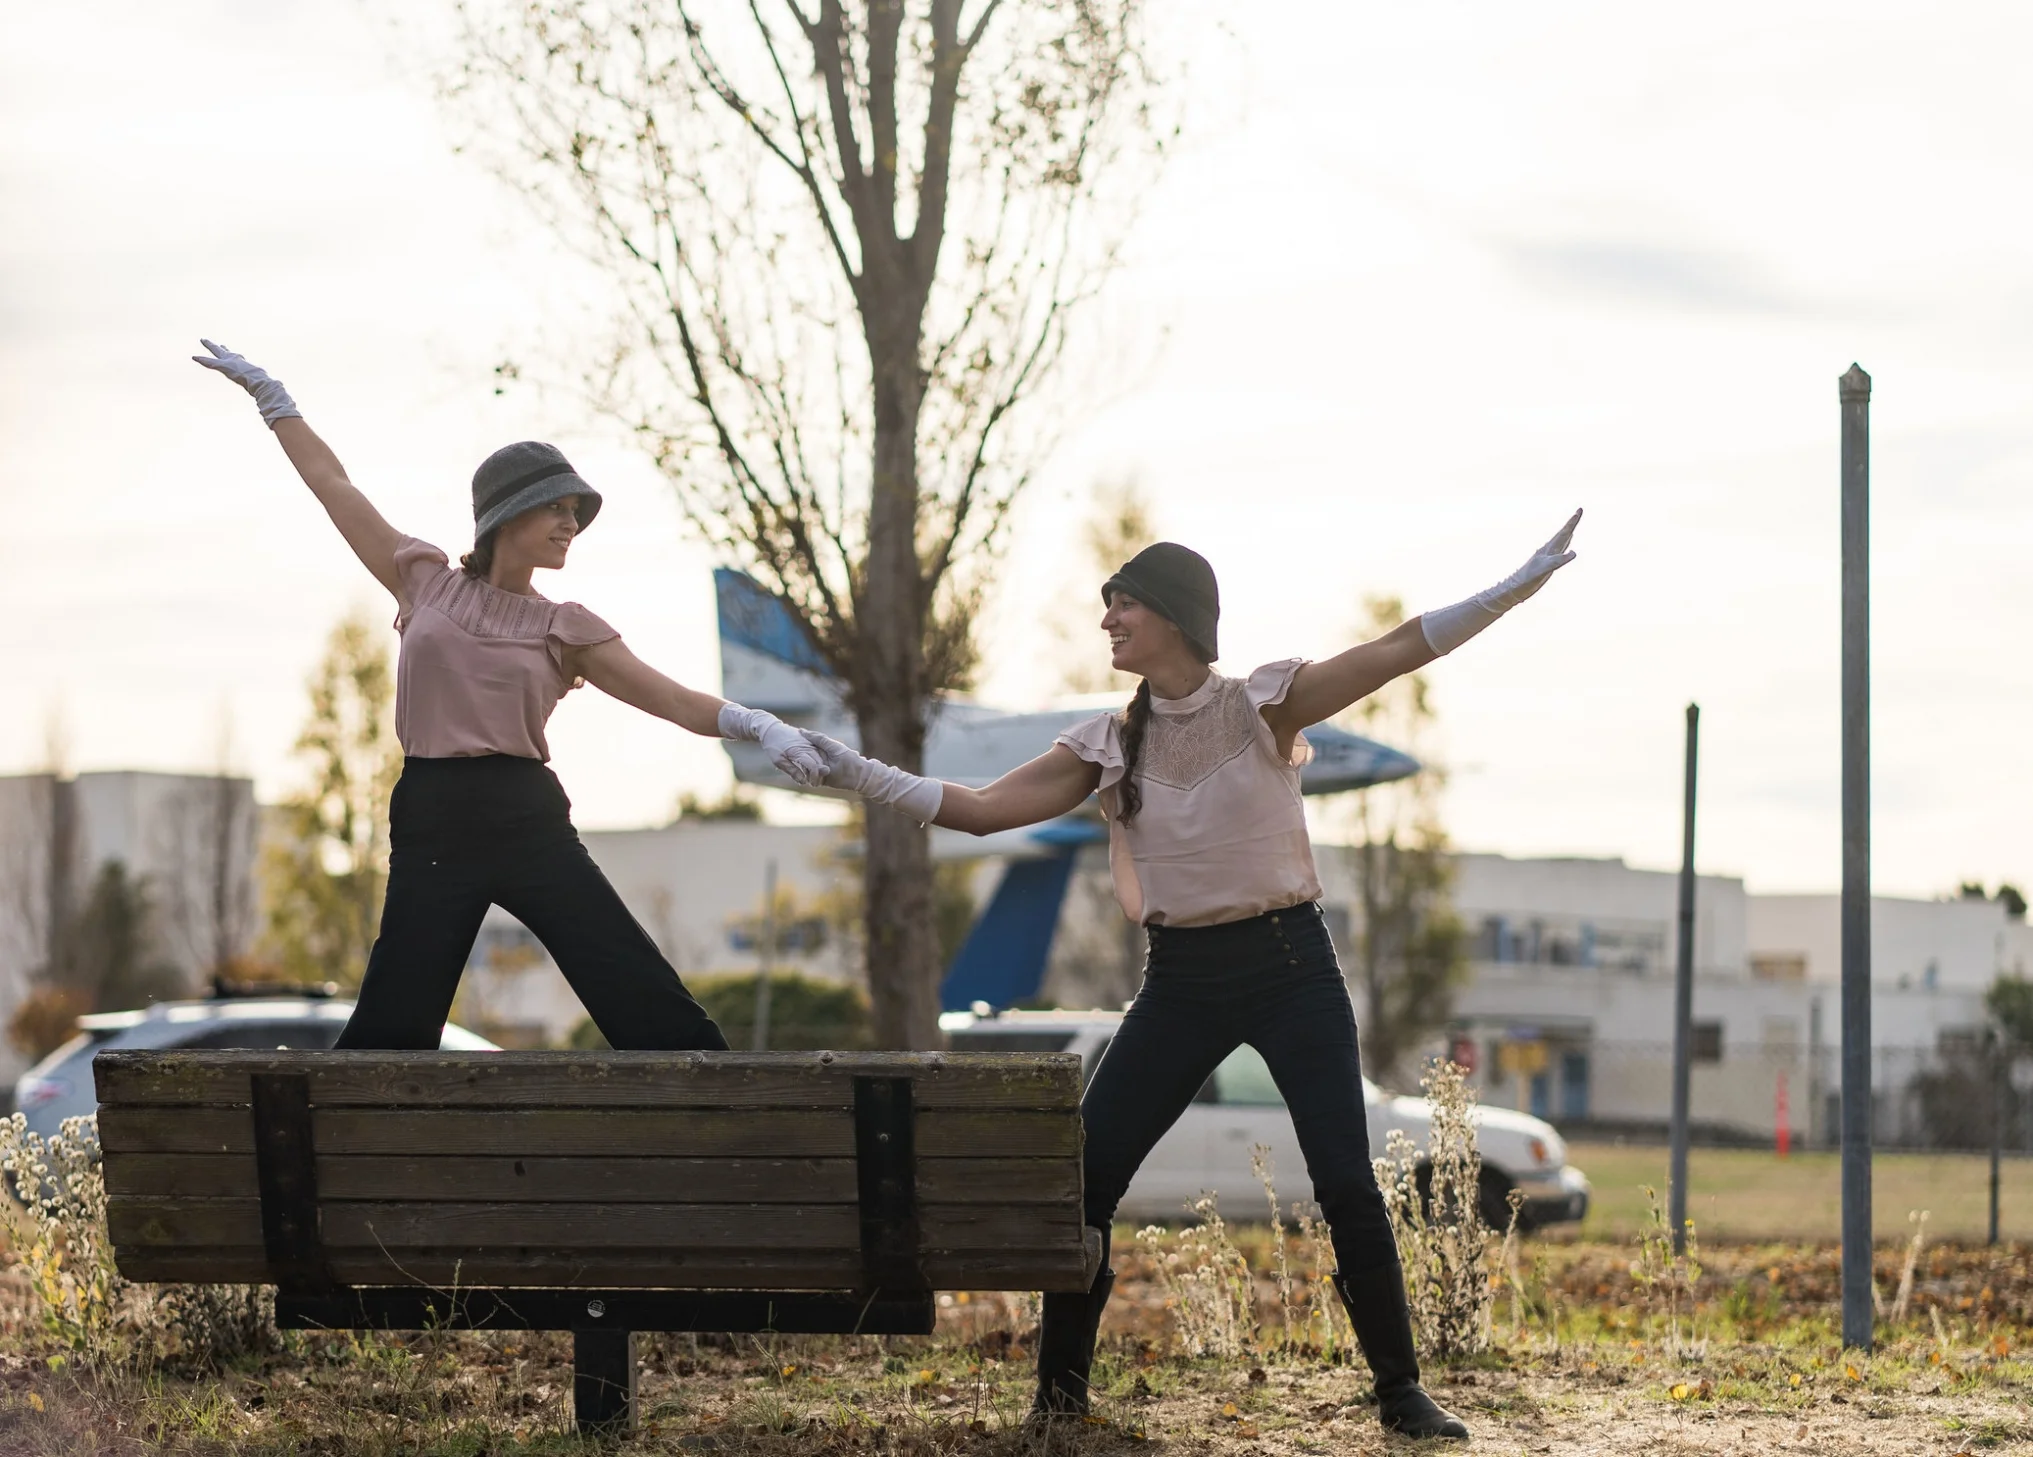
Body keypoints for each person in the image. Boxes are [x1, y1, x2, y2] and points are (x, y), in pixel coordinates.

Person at [802, 518, 1581, 1440]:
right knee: (1085, 1179)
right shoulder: (1106, 740)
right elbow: (978, 810)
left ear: (1174, 615)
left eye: (1123, 603)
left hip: (1292, 966)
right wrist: (853, 773)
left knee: (1345, 1181)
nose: (1108, 621)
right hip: (1180, 982)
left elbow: (1392, 652)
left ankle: (1400, 1391)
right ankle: (1059, 1399)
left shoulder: (1262, 705)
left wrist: (1507, 589)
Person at [193, 339, 826, 1051]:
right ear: (505, 517)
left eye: (573, 511)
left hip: (524, 814)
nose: (568, 524)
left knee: (647, 1005)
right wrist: (275, 403)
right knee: (390, 1032)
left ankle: (724, 1131)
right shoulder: (422, 579)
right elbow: (334, 485)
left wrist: (762, 727)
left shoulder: (566, 628)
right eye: (553, 508)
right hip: (430, 815)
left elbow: (674, 700)